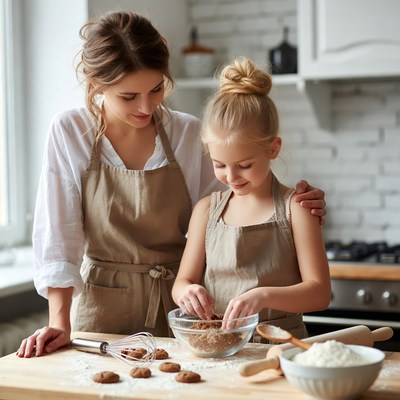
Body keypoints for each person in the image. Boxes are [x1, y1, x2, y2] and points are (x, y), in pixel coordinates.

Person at [17, 11, 326, 358]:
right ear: (97, 85)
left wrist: (290, 204)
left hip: (182, 313)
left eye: (156, 88)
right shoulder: (71, 131)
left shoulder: (187, 133)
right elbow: (59, 234)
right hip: (100, 309)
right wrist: (59, 322)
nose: (147, 106)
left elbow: (228, 216)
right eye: (128, 96)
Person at [172, 57, 331, 340]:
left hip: (282, 346)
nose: (231, 176)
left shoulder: (297, 209)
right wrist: (187, 291)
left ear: (273, 149)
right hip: (217, 344)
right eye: (219, 164)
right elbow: (182, 282)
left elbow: (319, 293)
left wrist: (263, 296)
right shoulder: (206, 210)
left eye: (244, 165)